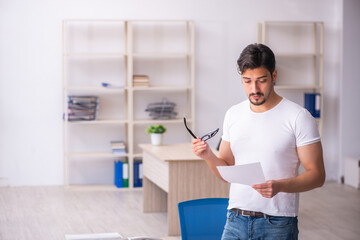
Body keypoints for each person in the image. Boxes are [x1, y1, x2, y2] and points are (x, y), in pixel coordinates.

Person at [191, 43, 325, 240]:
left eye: (261, 80)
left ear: (274, 76)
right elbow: (226, 172)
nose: (254, 89)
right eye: (247, 81)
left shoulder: (298, 117)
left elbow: (317, 176)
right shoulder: (233, 114)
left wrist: (279, 186)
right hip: (235, 219)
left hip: (277, 224)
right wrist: (208, 156)